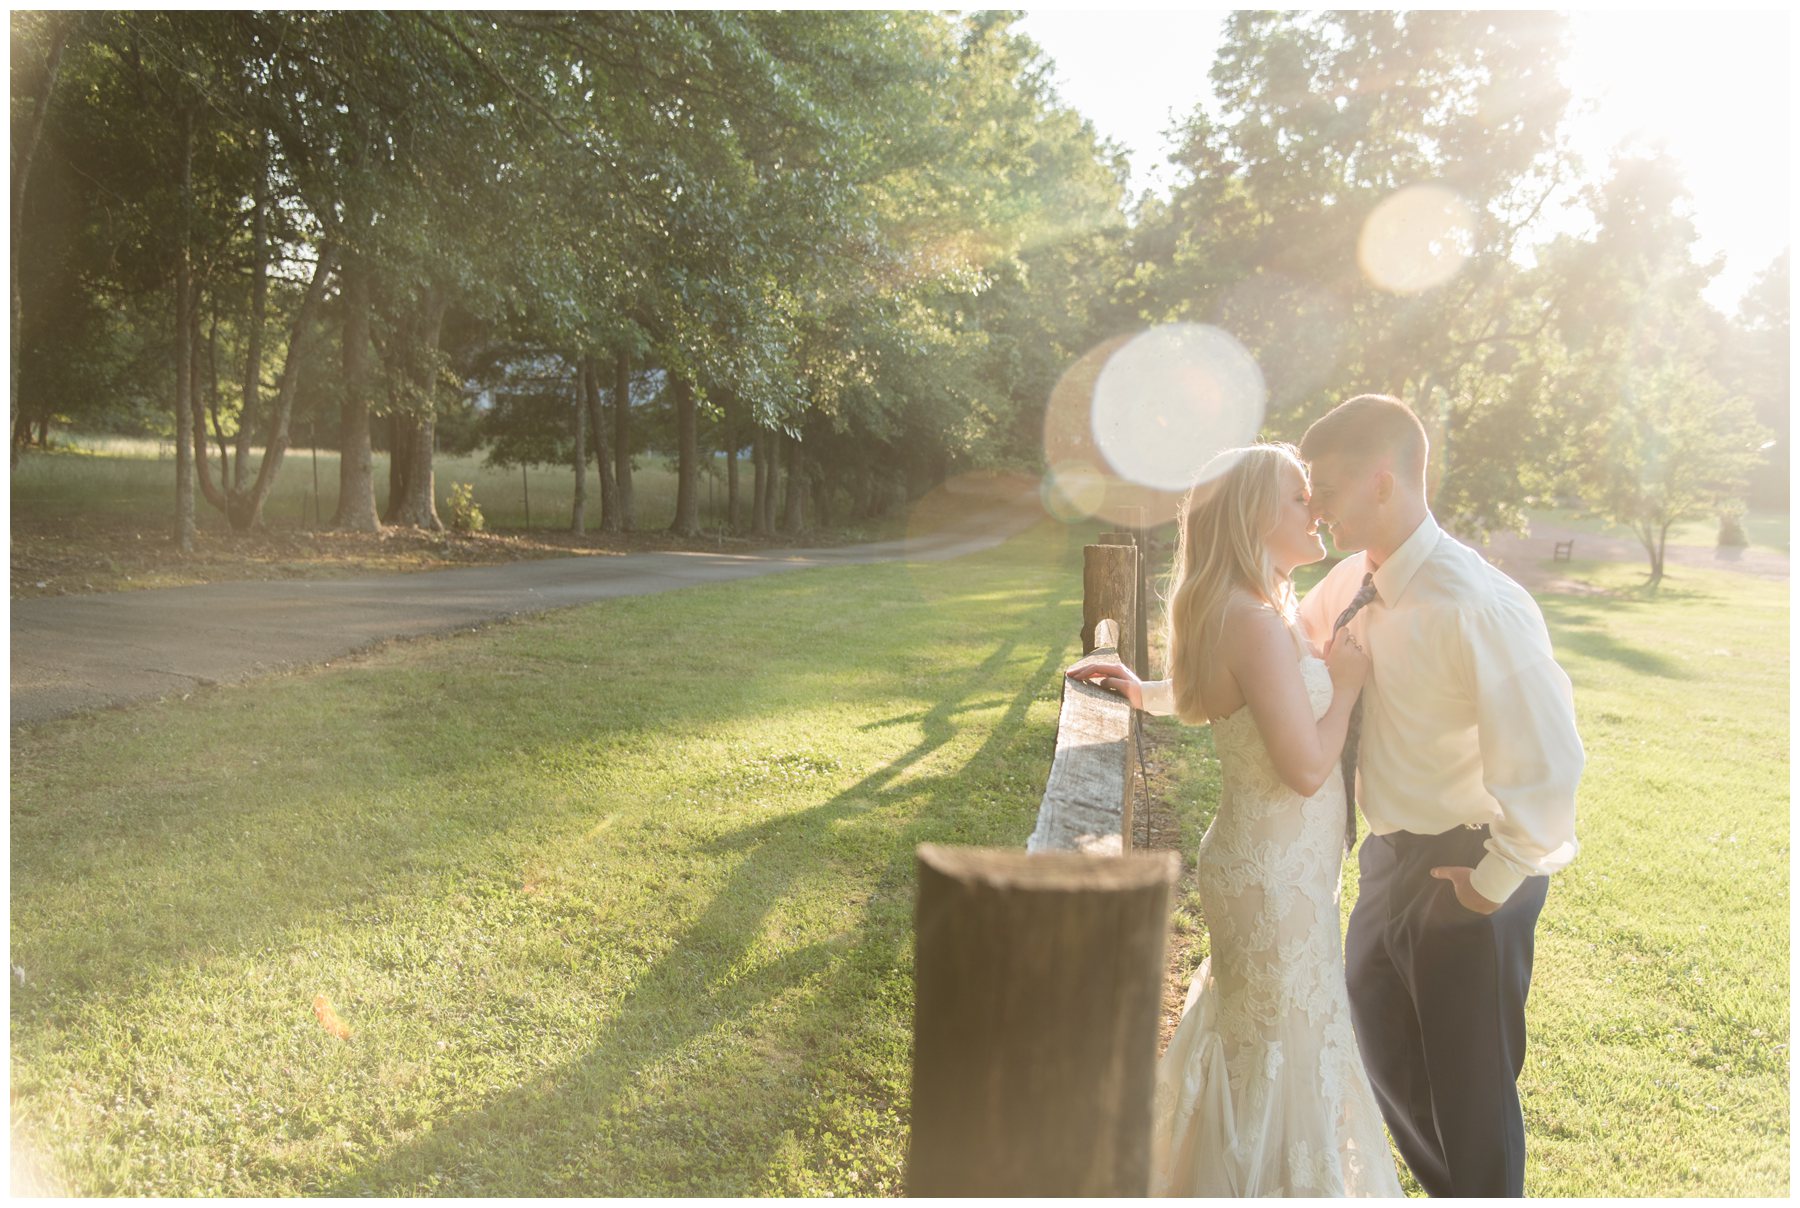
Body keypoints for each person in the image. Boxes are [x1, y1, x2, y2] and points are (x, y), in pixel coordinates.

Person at [1069, 442, 1404, 1197]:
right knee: (1283, 1053)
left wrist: (1143, 690)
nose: (1315, 507)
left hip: (1274, 870)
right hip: (1274, 884)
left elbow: (1208, 705)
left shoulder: (1250, 608)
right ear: (1255, 515)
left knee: (1265, 1047)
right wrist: (1345, 686)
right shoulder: (1251, 619)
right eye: (1298, 497)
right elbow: (1306, 767)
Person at [1297, 394, 1583, 1197]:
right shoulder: (1356, 578)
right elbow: (1283, 656)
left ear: (1382, 482)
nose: (1315, 505)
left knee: (1471, 1093)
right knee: (1383, 1045)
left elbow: (1550, 758)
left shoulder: (1477, 605)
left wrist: (1496, 878)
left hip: (1472, 864)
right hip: (1390, 860)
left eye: (1327, 487)